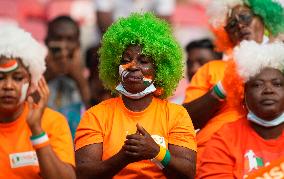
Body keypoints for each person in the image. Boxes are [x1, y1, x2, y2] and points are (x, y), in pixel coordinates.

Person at [75, 13, 197, 179]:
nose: (133, 66)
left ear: (159, 69)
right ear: (115, 67)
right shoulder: (95, 116)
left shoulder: (177, 115)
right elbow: (84, 174)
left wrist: (156, 152)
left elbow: (188, 173)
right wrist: (124, 156)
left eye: (144, 61)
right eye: (126, 60)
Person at [182, 0, 284, 167]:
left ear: (263, 17)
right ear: (226, 35)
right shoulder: (212, 69)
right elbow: (186, 122)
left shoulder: (280, 64)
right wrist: (222, 88)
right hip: (212, 155)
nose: (240, 26)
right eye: (231, 25)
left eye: (245, 17)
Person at [197, 41, 284, 179]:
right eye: (257, 85)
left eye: (277, 84)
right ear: (242, 94)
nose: (268, 90)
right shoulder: (225, 138)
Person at [0, 26, 75, 178]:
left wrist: (37, 131)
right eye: (0, 78)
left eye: (18, 78)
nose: (8, 86)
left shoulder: (53, 122)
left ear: (32, 82)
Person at [44, 16, 91, 138]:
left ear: (78, 44)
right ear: (47, 41)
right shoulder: (34, 74)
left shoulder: (91, 75)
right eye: (57, 38)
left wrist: (79, 78)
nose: (63, 45)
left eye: (70, 39)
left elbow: (96, 116)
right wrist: (48, 75)